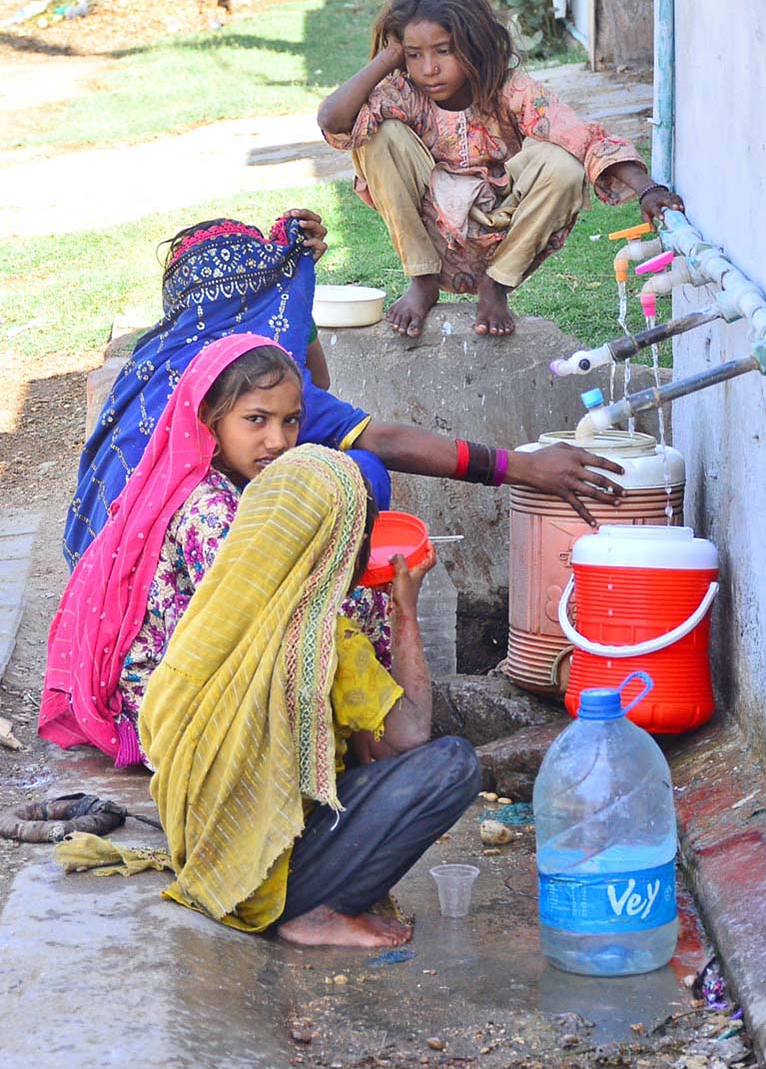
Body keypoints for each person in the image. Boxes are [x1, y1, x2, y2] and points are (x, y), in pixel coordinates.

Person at [65, 213, 628, 569]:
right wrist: (520, 468)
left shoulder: (155, 359)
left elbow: (315, 391)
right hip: (178, 581)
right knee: (361, 471)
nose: (276, 435)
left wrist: (296, 293)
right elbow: (378, 438)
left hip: (108, 568)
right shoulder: (234, 378)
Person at [138, 443, 482, 946]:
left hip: (211, 861)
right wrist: (405, 611)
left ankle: (301, 895)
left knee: (364, 754)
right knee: (454, 764)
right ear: (340, 549)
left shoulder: (208, 622)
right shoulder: (324, 643)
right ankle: (316, 913)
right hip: (273, 881)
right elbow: (411, 739)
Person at [41, 336, 390, 768]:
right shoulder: (207, 504)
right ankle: (357, 748)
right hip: (174, 710)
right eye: (257, 420)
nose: (278, 441)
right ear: (209, 418)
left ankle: (359, 743)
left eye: (291, 421)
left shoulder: (236, 483)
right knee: (356, 602)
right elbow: (252, 614)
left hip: (195, 674)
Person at [317, 0, 686, 338]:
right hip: (433, 225)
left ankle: (495, 288)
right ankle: (422, 280)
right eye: (415, 55)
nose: (429, 68)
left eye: (443, 51)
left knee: (563, 163)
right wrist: (391, 56)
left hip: (502, 227)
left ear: (473, 44)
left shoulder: (510, 89)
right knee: (376, 136)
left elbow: (581, 136)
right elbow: (333, 120)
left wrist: (647, 189)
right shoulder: (404, 92)